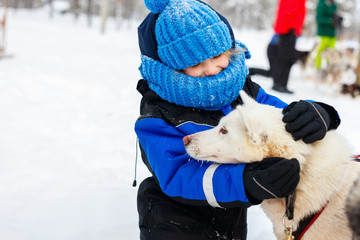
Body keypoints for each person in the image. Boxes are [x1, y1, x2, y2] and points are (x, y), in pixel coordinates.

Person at [135, 0, 341, 239]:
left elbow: (282, 121)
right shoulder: (157, 113)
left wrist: (320, 114)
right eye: (196, 63)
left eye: (218, 55)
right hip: (172, 222)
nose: (212, 69)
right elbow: (177, 174)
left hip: (230, 221)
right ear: (172, 67)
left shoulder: (240, 89)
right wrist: (244, 183)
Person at [249, 0, 306, 94]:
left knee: (276, 68)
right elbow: (290, 11)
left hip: (288, 31)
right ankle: (279, 85)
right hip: (286, 32)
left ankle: (280, 84)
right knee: (285, 60)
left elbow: (298, 12)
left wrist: (297, 28)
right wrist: (293, 28)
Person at [314, 0, 339, 70]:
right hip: (323, 33)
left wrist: (337, 20)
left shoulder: (334, 5)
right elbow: (319, 18)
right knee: (320, 51)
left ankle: (329, 69)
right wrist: (330, 21)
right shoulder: (322, 3)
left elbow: (334, 15)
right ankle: (318, 68)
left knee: (331, 52)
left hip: (332, 33)